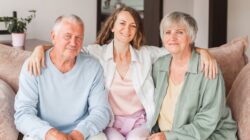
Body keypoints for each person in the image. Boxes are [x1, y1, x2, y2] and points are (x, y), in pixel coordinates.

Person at [26, 7, 218, 140]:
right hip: (111, 121)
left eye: (133, 26)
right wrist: (39, 50)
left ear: (136, 31)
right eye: (122, 23)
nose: (127, 29)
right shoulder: (97, 52)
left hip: (139, 121)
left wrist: (204, 52)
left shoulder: (145, 54)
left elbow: (176, 48)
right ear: (112, 26)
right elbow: (67, 47)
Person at [14, 15, 111, 140]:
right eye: (68, 36)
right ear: (53, 37)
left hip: (82, 133)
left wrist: (78, 134)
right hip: (43, 133)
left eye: (78, 38)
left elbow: (101, 111)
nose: (73, 43)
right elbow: (23, 114)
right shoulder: (33, 65)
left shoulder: (93, 67)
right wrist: (51, 133)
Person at [148, 12, 237, 140]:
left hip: (207, 135)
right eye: (167, 32)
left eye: (179, 32)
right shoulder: (159, 65)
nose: (172, 37)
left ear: (190, 37)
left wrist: (169, 136)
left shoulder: (207, 67)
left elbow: (207, 120)